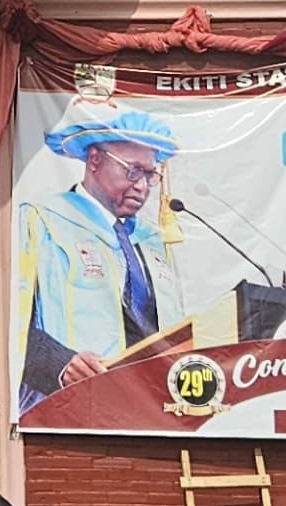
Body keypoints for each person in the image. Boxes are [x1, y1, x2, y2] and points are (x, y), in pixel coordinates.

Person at [17, 103, 196, 409]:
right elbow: (11, 318)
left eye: (150, 175)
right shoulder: (43, 221)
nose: (141, 186)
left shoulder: (151, 240)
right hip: (70, 405)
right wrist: (60, 363)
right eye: (133, 170)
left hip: (155, 406)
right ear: (95, 160)